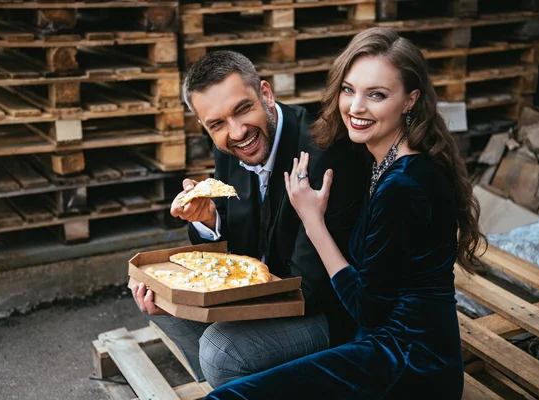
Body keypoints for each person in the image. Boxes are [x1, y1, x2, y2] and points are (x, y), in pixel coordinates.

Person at [205, 27, 487, 399]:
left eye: (377, 95)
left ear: (409, 101)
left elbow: (367, 309)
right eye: (349, 90)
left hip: (411, 363)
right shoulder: (382, 163)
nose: (356, 107)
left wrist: (312, 220)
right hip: (383, 346)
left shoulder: (404, 183)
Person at [131, 50, 368, 388]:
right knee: (157, 294)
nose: (238, 131)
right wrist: (209, 221)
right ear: (205, 126)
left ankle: (235, 381)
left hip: (325, 314)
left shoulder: (324, 151)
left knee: (220, 351)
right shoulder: (228, 145)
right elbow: (236, 254)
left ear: (266, 94)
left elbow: (312, 288)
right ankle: (229, 390)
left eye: (243, 109)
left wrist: (218, 307)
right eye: (217, 124)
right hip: (267, 293)